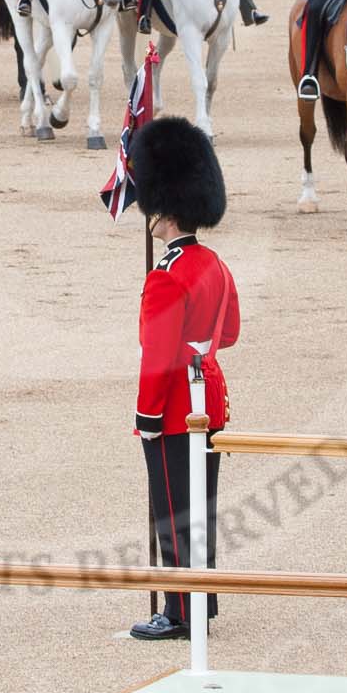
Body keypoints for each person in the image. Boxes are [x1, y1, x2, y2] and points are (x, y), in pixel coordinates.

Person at [127, 116, 240, 643]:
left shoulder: (167, 276)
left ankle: (178, 611)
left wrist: (146, 418)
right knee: (202, 507)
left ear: (164, 213)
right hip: (210, 399)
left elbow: (157, 359)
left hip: (173, 408)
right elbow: (231, 332)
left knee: (173, 508)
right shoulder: (213, 263)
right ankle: (201, 601)